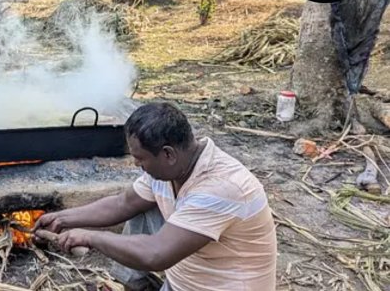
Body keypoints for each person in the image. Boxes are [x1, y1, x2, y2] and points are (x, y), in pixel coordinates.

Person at [34, 102, 277, 291]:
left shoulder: (221, 188)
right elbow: (124, 203)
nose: (136, 164)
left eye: (140, 158)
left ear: (168, 154)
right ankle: (132, 283)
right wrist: (63, 218)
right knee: (144, 205)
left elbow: (156, 254)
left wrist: (90, 237)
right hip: (182, 283)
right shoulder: (170, 170)